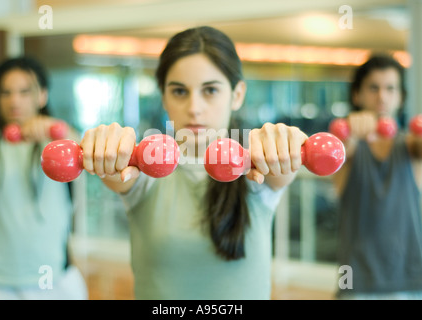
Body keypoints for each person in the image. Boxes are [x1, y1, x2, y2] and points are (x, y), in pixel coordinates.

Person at [79, 26, 310, 300]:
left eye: (210, 90)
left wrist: (290, 144)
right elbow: (115, 173)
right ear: (164, 97)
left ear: (237, 95)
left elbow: (282, 171)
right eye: (179, 91)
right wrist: (106, 146)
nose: (194, 108)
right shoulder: (142, 169)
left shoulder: (258, 169)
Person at [0, 56, 88, 300]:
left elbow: (83, 148)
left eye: (24, 92)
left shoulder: (59, 143)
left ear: (42, 95)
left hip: (55, 280)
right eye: (5, 92)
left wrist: (53, 129)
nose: (14, 101)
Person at [332, 54, 422, 299]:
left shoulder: (412, 146)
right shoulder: (346, 148)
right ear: (356, 95)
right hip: (356, 282)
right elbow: (339, 149)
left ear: (401, 97)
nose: (382, 96)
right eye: (374, 88)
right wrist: (350, 131)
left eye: (390, 88)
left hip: (410, 280)